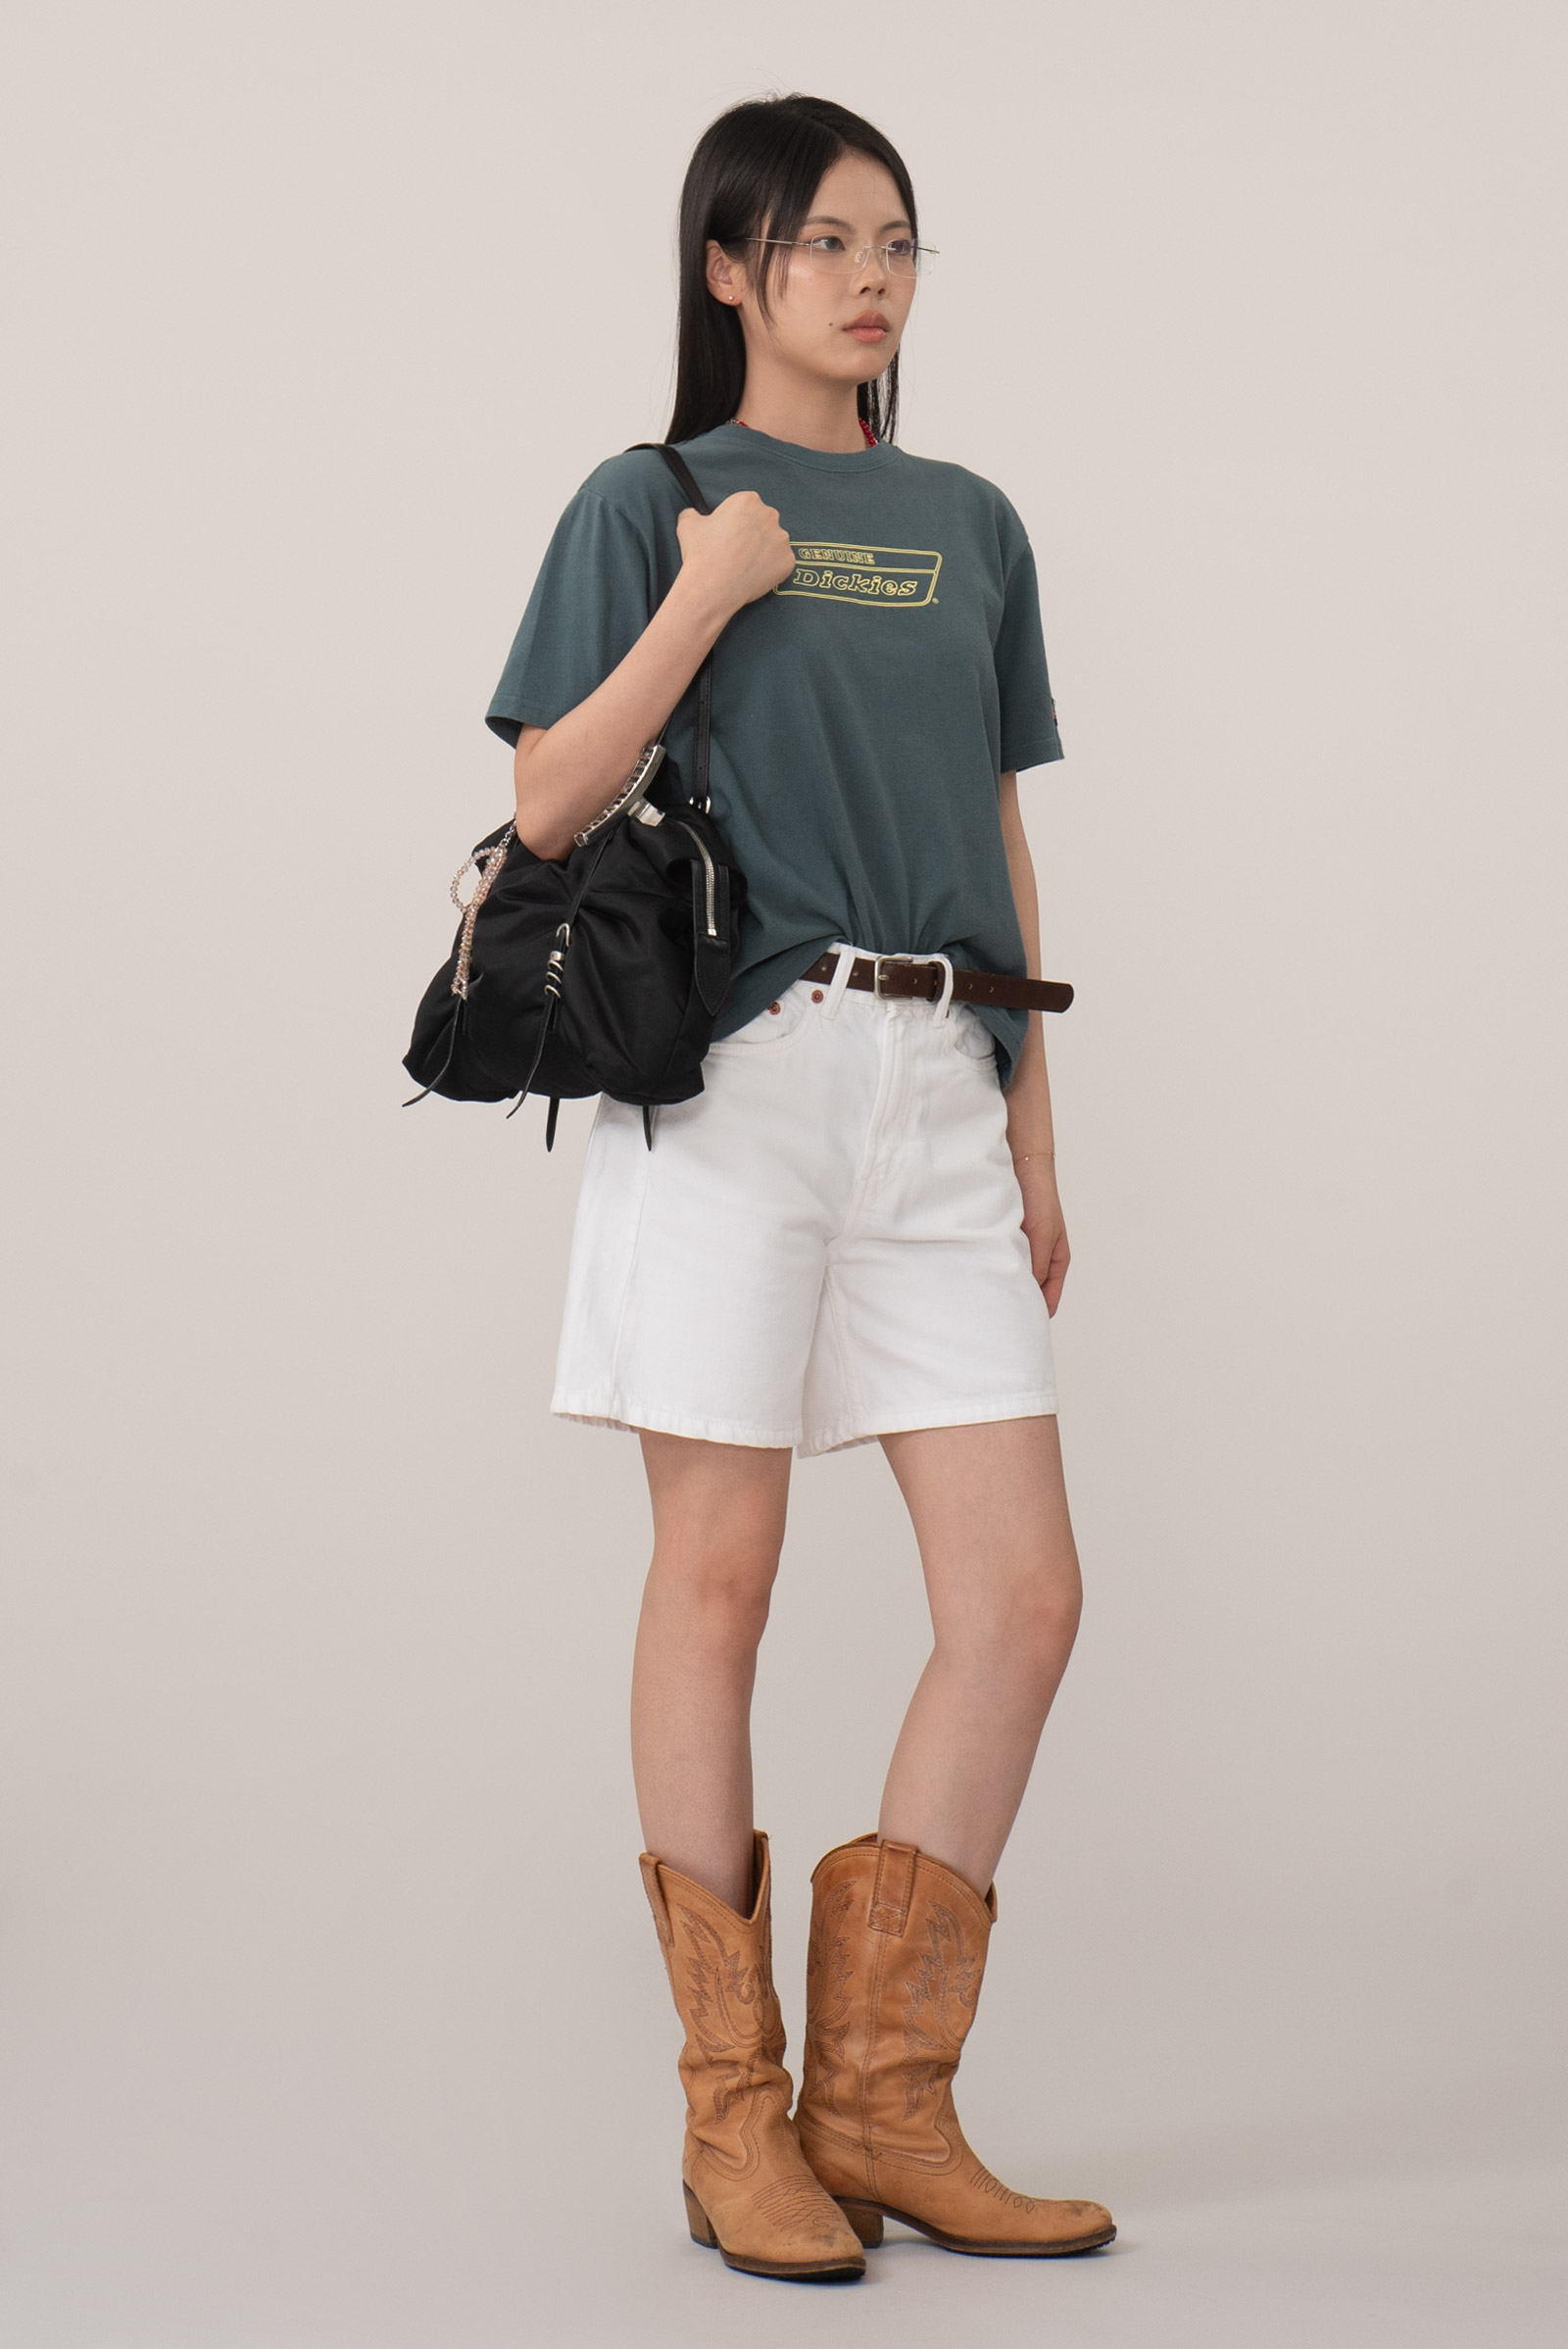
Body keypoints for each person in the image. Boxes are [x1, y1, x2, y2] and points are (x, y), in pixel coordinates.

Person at [484, 92, 1115, 2282]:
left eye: (897, 243)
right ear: (728, 270)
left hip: (940, 1074)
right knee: (720, 1577)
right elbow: (549, 798)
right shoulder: (647, 500)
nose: (870, 280)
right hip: (740, 1081)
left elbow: (995, 821)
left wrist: (1032, 1118)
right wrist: (703, 594)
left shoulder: (971, 522)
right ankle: (733, 2114)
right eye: (825, 241)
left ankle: (883, 2103)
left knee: (1020, 1596)